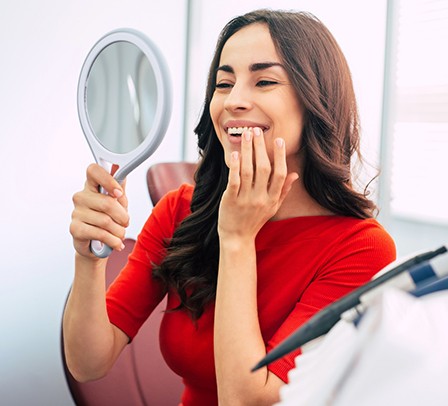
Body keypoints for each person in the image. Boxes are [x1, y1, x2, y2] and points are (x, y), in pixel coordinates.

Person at [64, 8, 396, 406]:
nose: (234, 101)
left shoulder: (361, 249)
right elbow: (88, 363)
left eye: (264, 81)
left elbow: (246, 401)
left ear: (316, 102)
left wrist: (238, 238)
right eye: (224, 83)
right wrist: (88, 260)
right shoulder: (179, 211)